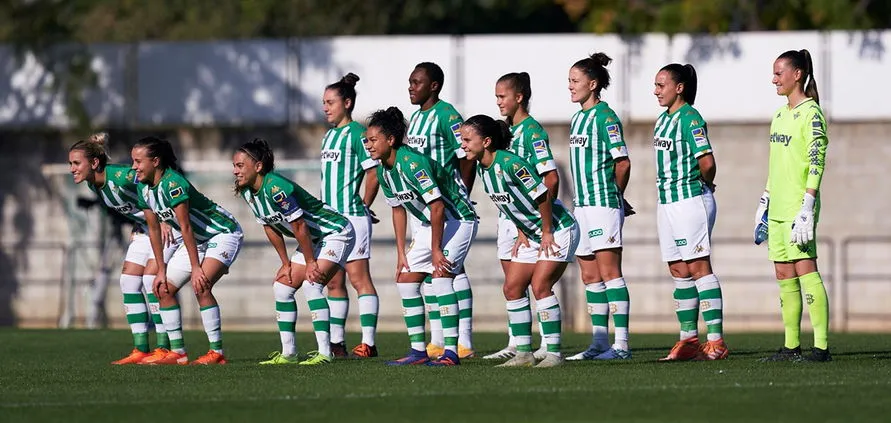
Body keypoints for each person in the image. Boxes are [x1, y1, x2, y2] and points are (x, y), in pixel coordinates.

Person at [460, 114, 579, 368]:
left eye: (468, 139)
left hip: (557, 229)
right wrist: (522, 231)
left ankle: (554, 354)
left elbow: (542, 193)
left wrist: (546, 231)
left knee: (540, 286)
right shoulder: (483, 167)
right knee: (512, 288)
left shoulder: (512, 163)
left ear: (487, 141)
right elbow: (511, 202)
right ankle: (523, 353)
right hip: (531, 233)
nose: (463, 145)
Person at [364, 107, 478, 366]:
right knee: (405, 280)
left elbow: (438, 206)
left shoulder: (412, 163)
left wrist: (436, 250)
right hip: (431, 224)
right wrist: (401, 253)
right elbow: (397, 210)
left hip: (458, 219)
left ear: (390, 140)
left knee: (441, 279)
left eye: (373, 140)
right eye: (366, 141)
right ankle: (418, 352)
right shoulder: (383, 170)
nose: (368, 146)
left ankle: (451, 352)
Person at [234, 138, 356, 365]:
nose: (235, 171)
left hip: (336, 231)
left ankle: (325, 353)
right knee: (281, 287)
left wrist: (311, 263)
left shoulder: (276, 187)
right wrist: (285, 263)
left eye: (240, 165)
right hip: (315, 238)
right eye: (235, 166)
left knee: (312, 283)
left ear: (258, 166)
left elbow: (299, 225)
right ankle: (289, 354)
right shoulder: (248, 192)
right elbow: (269, 226)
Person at [68, 133, 179, 364]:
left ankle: (163, 347)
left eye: (76, 163)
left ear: (95, 163)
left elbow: (158, 179)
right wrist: (136, 223)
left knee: (151, 281)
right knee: (128, 281)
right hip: (145, 228)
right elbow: (135, 204)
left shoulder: (120, 176)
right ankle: (140, 348)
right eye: (71, 164)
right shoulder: (94, 184)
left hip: (167, 227)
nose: (72, 169)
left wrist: (165, 217)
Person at [132, 136, 243, 365]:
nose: (134, 167)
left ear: (155, 161)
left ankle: (216, 352)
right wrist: (160, 270)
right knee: (162, 289)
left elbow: (185, 227)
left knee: (201, 285)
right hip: (198, 241)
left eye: (138, 161)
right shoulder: (144, 188)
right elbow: (153, 230)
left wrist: (195, 268)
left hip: (222, 233)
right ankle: (178, 353)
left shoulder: (173, 184)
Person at [757, 49, 831, 362]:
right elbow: (776, 164)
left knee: (806, 270)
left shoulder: (811, 113)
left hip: (798, 209)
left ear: (796, 74)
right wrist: (764, 200)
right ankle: (791, 346)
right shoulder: (779, 114)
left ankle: (822, 347)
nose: (774, 79)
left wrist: (808, 204)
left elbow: (817, 159)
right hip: (777, 209)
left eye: (779, 73)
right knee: (784, 275)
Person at [651, 64, 728, 361]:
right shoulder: (662, 120)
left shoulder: (690, 118)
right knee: (678, 270)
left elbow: (707, 162)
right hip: (667, 202)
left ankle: (717, 341)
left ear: (679, 88)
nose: (656, 91)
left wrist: (705, 185)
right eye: (655, 85)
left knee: (698, 267)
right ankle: (688, 341)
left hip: (690, 200)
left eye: (661, 85)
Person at [483, 72, 561, 361]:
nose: (498, 102)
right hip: (510, 216)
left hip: (531, 220)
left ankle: (546, 344)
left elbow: (549, 179)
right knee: (513, 284)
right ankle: (517, 343)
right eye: (496, 97)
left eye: (502, 96)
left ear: (519, 97)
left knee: (538, 284)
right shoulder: (501, 131)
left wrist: (541, 224)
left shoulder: (532, 132)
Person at [564, 53, 634, 361]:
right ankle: (599, 342)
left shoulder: (606, 118)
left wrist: (614, 195)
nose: (570, 87)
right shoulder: (578, 117)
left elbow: (622, 161)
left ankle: (622, 345)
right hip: (582, 207)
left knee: (610, 273)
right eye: (569, 81)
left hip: (603, 204)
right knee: (589, 276)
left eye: (575, 81)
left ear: (593, 84)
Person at [407, 62, 476, 359]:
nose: (411, 87)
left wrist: (462, 191)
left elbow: (466, 157)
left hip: (449, 207)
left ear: (434, 85)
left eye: (417, 82)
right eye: (410, 82)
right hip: (423, 211)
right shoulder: (415, 117)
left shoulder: (448, 116)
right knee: (430, 272)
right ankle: (437, 340)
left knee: (449, 271)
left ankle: (463, 341)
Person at [319, 73, 380, 358]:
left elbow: (373, 171)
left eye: (330, 102)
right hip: (329, 220)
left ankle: (368, 343)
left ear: (347, 102)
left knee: (359, 279)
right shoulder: (329, 136)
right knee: (333, 281)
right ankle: (337, 342)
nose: (326, 108)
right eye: (324, 103)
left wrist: (365, 204)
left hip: (352, 217)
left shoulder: (357, 133)